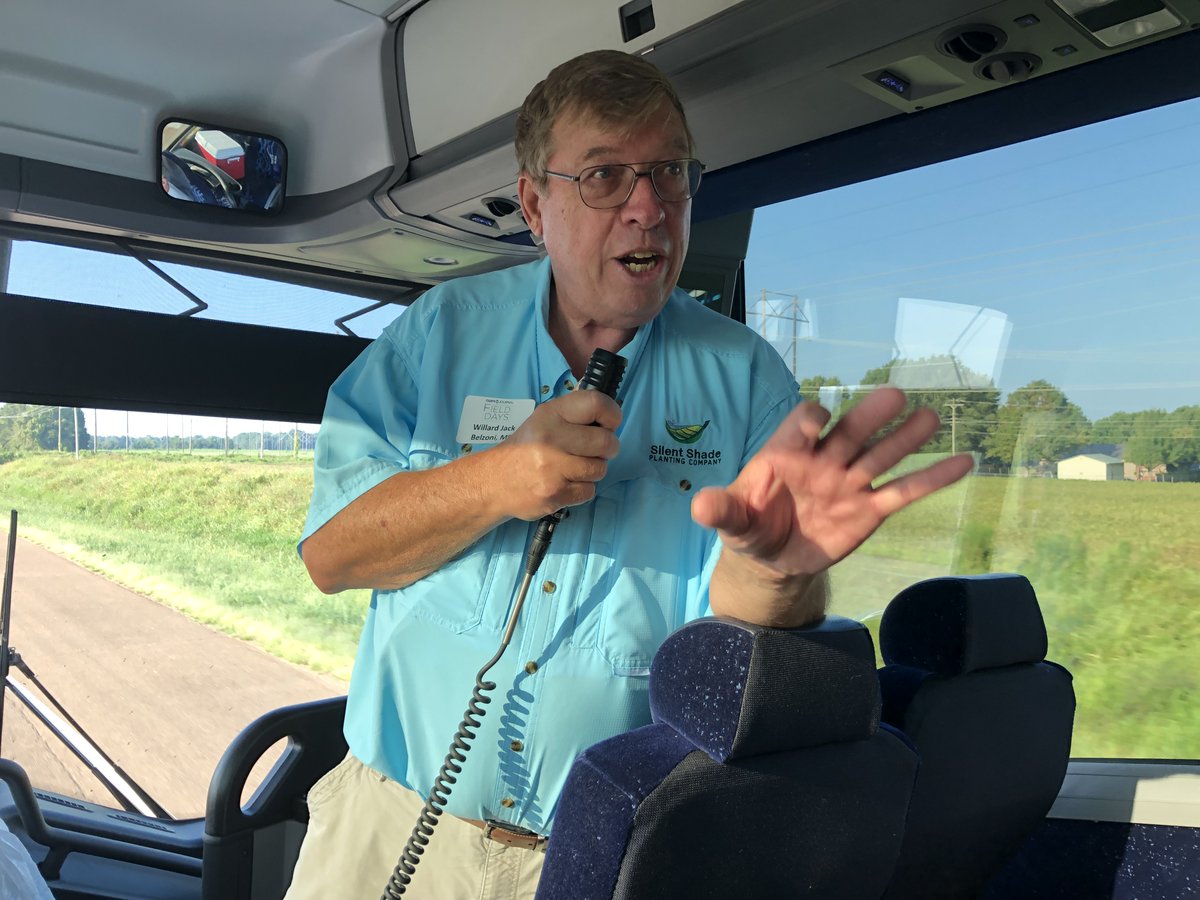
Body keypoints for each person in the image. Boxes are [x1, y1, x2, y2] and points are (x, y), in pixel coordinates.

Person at [286, 49, 973, 900]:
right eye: (606, 175)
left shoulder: (748, 379)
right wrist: (500, 481)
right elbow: (332, 557)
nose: (648, 208)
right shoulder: (440, 331)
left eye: (669, 174)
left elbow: (745, 625)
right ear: (536, 204)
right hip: (390, 827)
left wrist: (774, 574)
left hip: (605, 858)